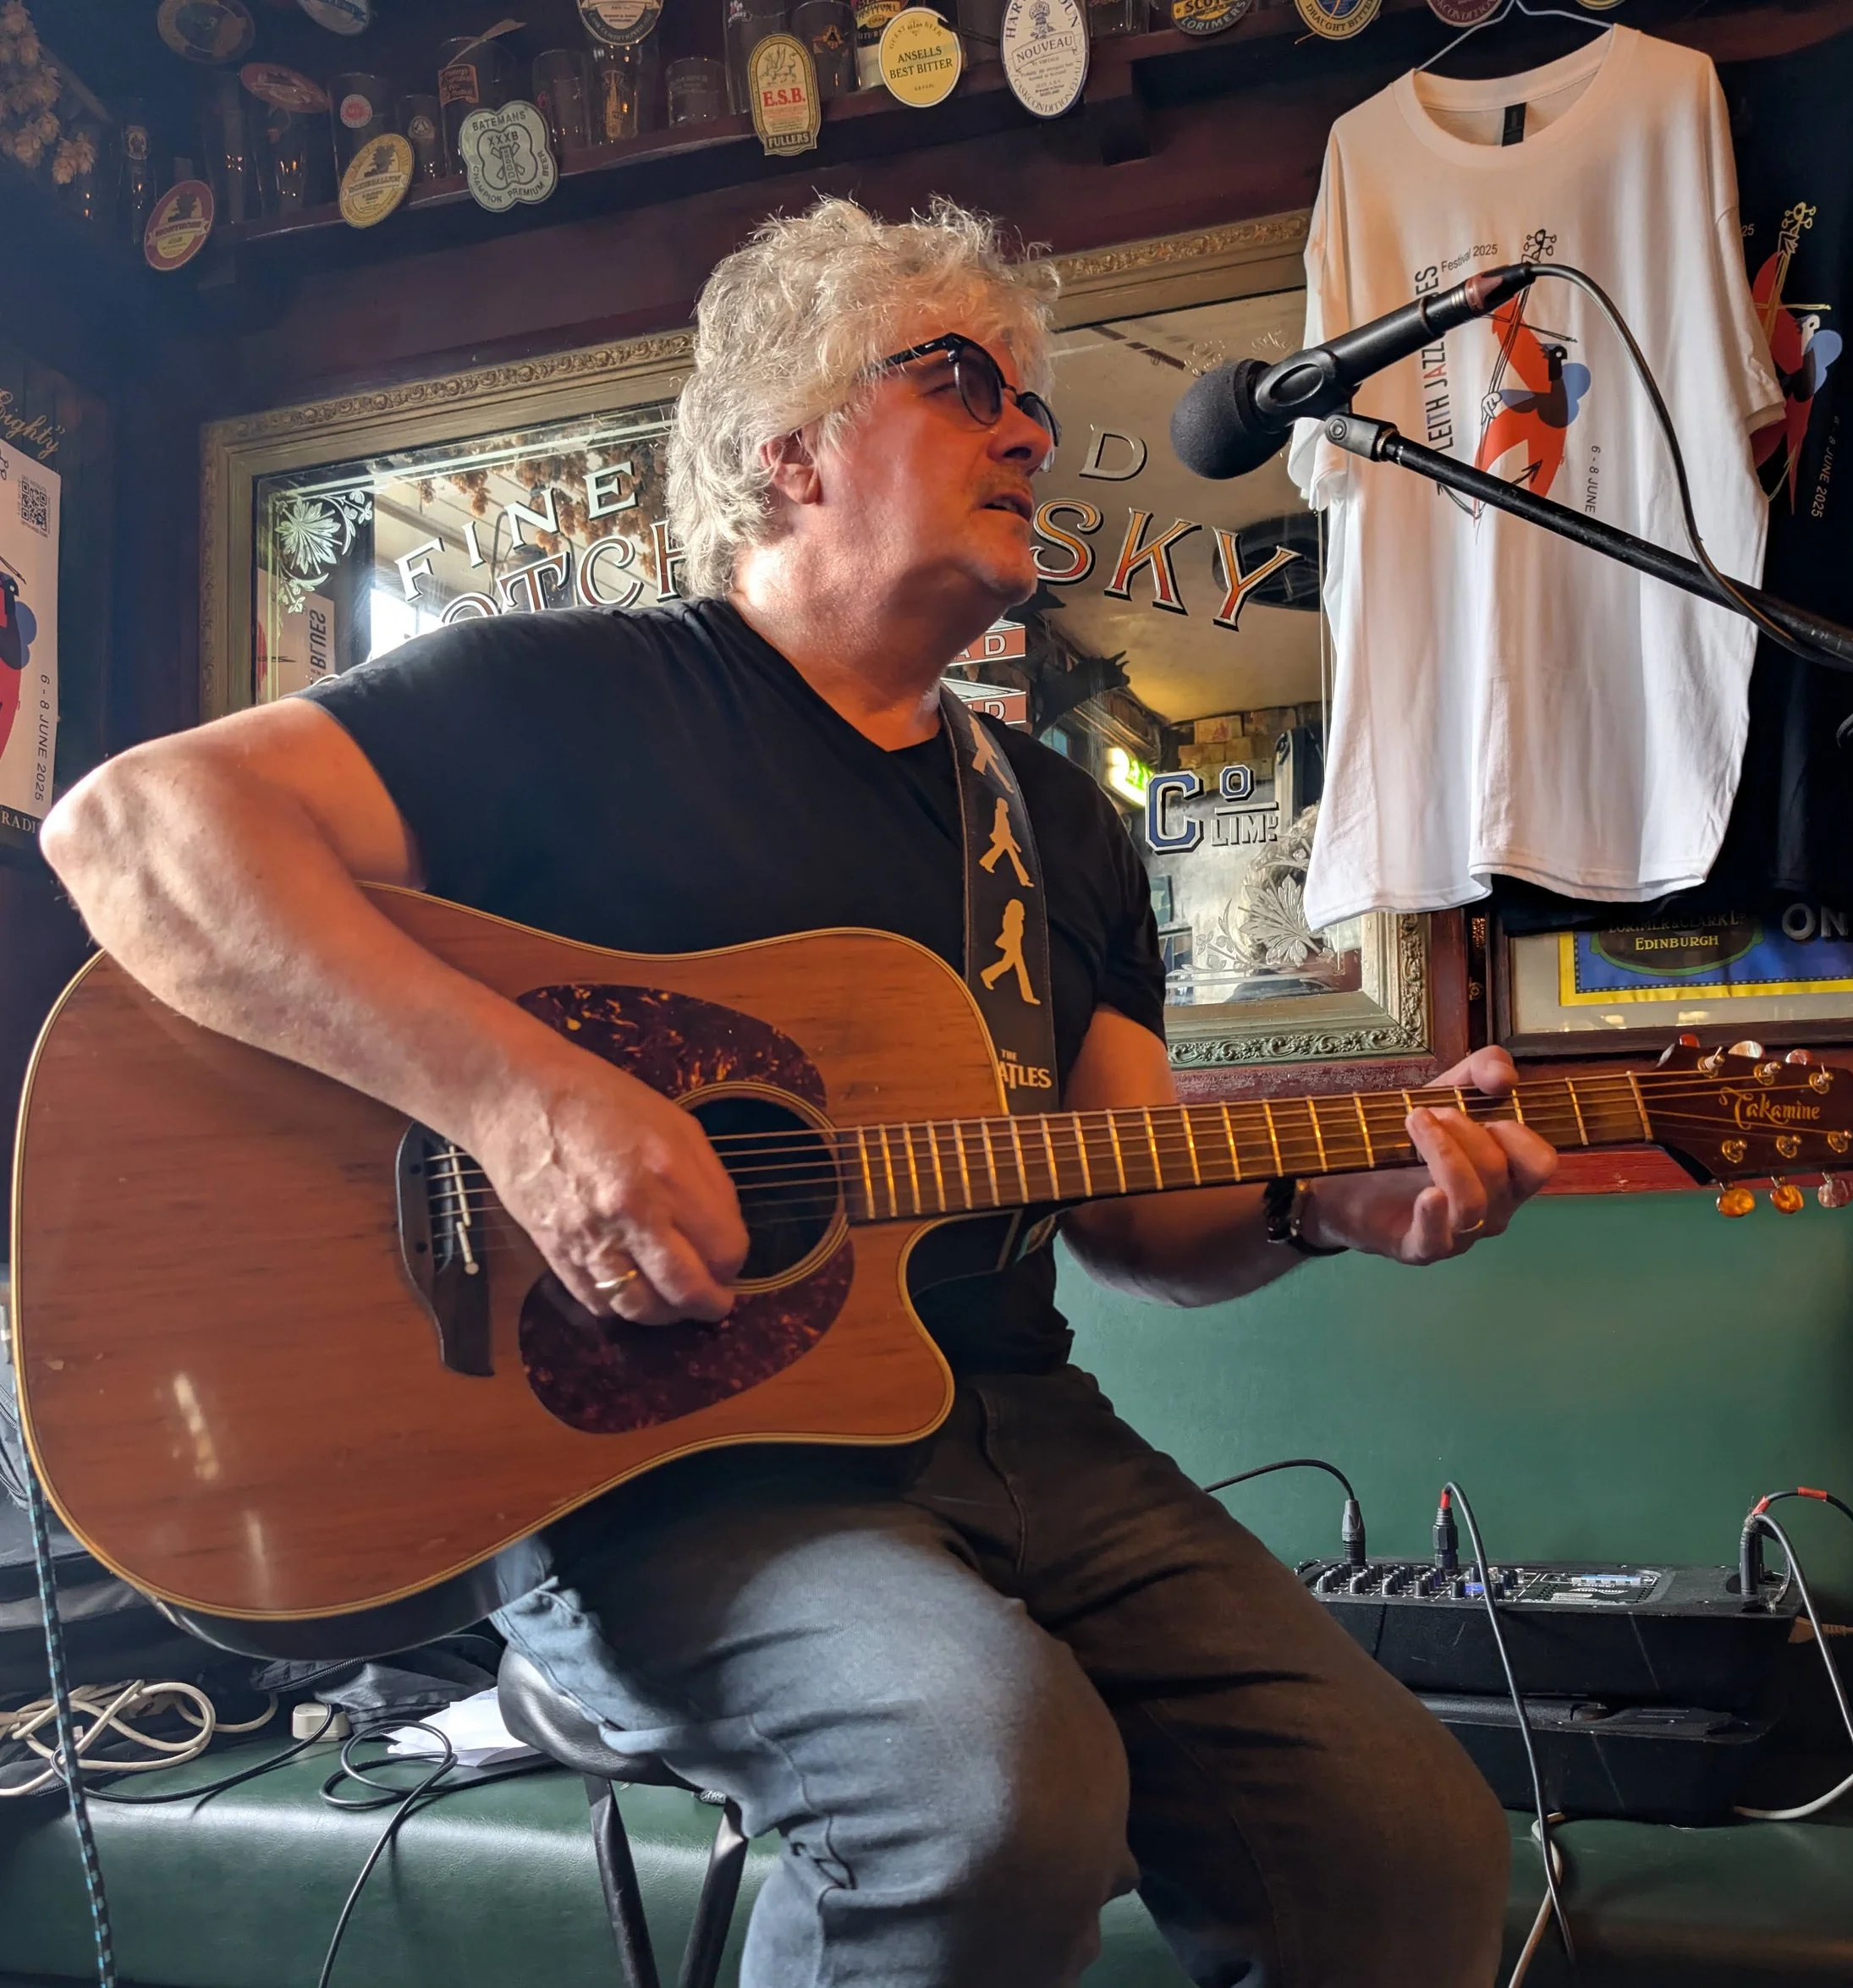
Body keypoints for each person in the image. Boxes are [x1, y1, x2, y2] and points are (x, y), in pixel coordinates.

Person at [42, 198, 1559, 1988]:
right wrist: (524, 1099)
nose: (1023, 430)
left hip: (1021, 1436)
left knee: (1404, 1846)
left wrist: (1325, 1202)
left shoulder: (1055, 825)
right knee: (980, 1779)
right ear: (787, 443)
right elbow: (130, 828)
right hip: (657, 1471)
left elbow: (1139, 1211)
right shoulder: (579, 700)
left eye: (1034, 407)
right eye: (961, 380)